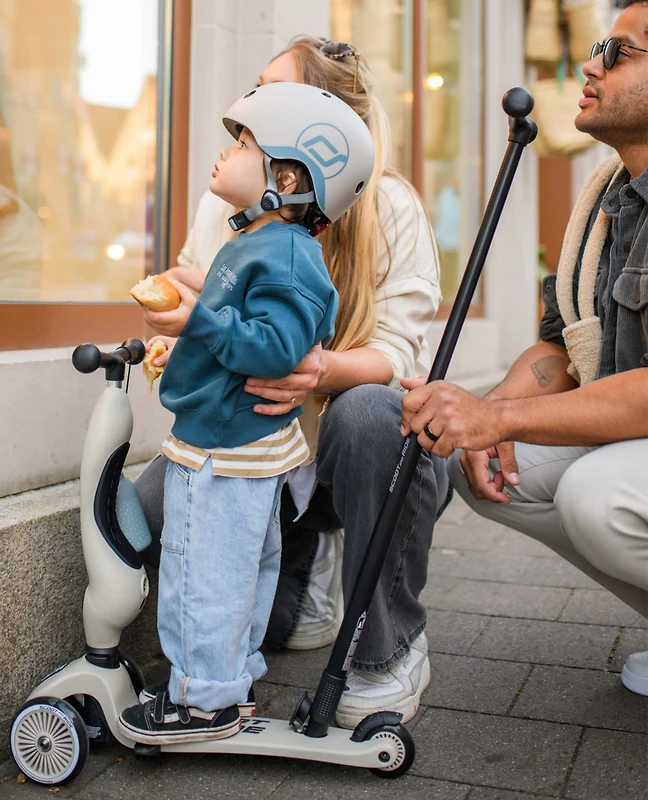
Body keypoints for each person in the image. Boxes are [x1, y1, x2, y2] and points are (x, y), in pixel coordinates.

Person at [134, 36, 447, 729]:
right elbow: (202, 298)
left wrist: (320, 371)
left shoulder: (387, 205)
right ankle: (304, 569)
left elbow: (399, 355)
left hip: (342, 453)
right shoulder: (230, 202)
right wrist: (175, 331)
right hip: (253, 447)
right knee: (155, 511)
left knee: (366, 416)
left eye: (271, 92)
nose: (246, 108)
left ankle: (387, 647)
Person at [400, 0, 648, 698]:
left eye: (619, 52)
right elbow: (560, 348)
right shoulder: (608, 199)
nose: (590, 65)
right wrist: (488, 411)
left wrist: (501, 420)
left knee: (598, 497)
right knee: (485, 469)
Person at [118, 81, 375, 744]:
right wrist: (189, 313)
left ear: (287, 175)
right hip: (233, 443)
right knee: (235, 571)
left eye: (243, 143)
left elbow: (279, 346)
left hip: (227, 453)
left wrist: (197, 318)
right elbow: (239, 320)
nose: (225, 152)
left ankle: (202, 701)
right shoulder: (257, 244)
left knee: (199, 571)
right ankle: (227, 681)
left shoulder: (285, 254)